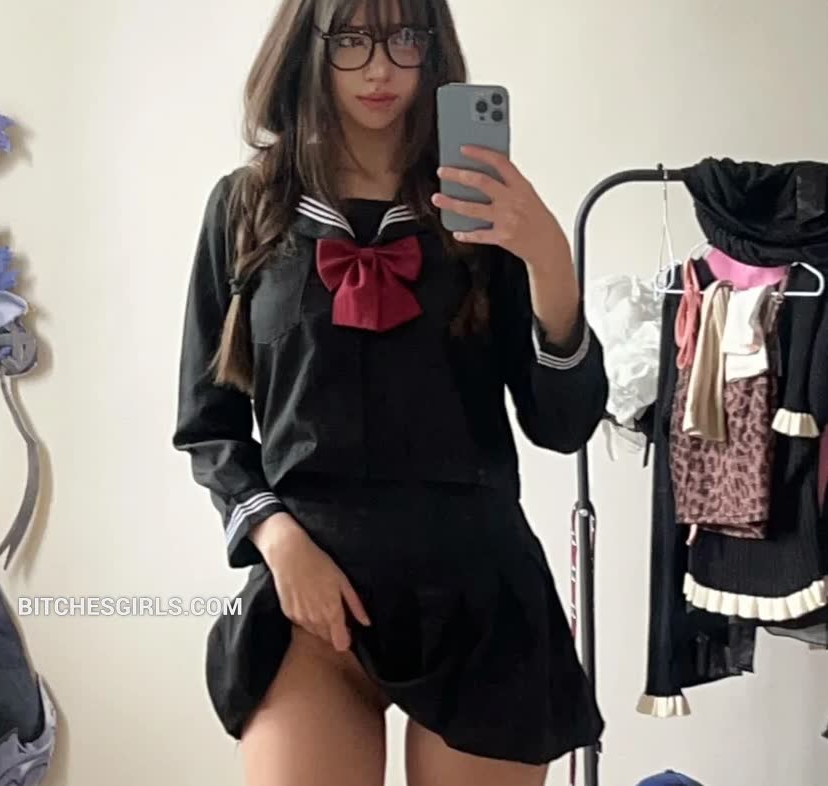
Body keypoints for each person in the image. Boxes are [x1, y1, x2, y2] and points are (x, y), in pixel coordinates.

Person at [172, 1, 608, 784]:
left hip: (480, 596)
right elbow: (209, 424)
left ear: (433, 47)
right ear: (308, 47)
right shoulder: (245, 207)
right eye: (352, 40)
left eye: (405, 37)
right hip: (314, 595)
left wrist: (549, 262)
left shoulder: (486, 210)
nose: (380, 67)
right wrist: (277, 539)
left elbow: (562, 424)